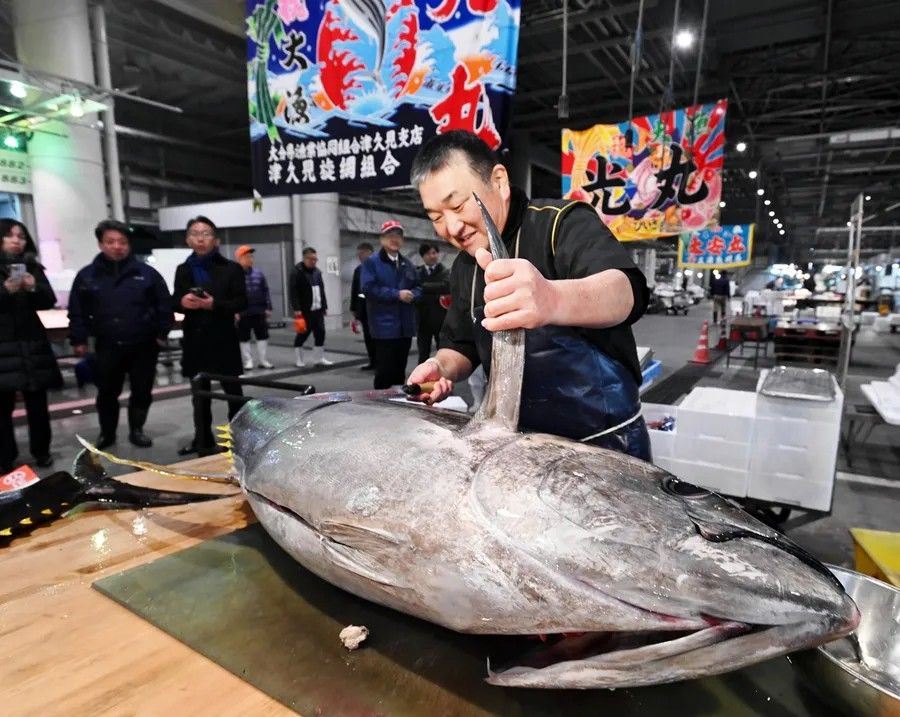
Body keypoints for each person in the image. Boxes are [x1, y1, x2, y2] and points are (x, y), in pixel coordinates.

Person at [405, 130, 651, 460]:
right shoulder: (466, 266)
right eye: (435, 216)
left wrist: (552, 299)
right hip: (521, 447)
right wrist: (441, 367)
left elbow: (626, 291)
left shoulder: (561, 223)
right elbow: (460, 345)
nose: (450, 227)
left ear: (499, 181)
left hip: (607, 442)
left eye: (458, 205)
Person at [68, 220, 174, 449]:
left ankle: (137, 430)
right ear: (101, 244)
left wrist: (161, 334)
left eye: (122, 242)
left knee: (142, 390)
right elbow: (77, 310)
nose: (117, 246)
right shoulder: (87, 276)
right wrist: (79, 339)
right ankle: (107, 433)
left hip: (143, 344)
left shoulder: (147, 274)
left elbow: (164, 305)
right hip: (107, 345)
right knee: (106, 392)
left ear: (129, 245)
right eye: (111, 241)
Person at [173, 216, 247, 456]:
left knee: (233, 394)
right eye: (195, 233)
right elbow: (175, 300)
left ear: (215, 239)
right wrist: (182, 302)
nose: (200, 238)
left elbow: (241, 302)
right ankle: (202, 441)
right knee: (199, 396)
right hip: (195, 341)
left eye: (206, 233)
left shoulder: (231, 269)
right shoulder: (183, 270)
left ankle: (239, 440)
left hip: (223, 338)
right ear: (188, 239)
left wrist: (214, 304)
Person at [0, 219, 61, 472]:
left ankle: (42, 451)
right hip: (2, 347)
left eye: (21, 236)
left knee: (38, 405)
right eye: (10, 235)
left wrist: (32, 285)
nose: (17, 240)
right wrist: (5, 290)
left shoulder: (32, 266)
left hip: (32, 344)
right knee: (2, 409)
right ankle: (5, 457)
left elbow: (49, 299)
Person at [360, 220, 422, 389]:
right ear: (382, 239)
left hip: (404, 329)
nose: (394, 239)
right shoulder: (371, 262)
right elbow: (368, 288)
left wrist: (413, 294)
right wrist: (397, 294)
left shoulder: (407, 264)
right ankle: (381, 408)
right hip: (384, 328)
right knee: (384, 372)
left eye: (398, 235)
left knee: (399, 371)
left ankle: (397, 405)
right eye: (390, 235)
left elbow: (418, 287)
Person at [290, 247, 333, 367]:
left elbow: (321, 290)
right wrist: (297, 309)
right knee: (302, 334)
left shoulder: (317, 272)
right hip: (304, 310)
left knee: (320, 333)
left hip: (318, 309)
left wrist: (324, 306)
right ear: (304, 258)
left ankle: (318, 358)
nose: (314, 261)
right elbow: (293, 292)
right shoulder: (296, 272)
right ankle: (299, 359)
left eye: (315, 259)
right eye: (311, 259)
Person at [234, 245, 274, 370]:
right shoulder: (234, 274)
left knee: (262, 336)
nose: (250, 259)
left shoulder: (258, 273)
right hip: (243, 311)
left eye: (251, 256)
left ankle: (263, 360)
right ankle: (248, 361)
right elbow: (231, 293)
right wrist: (234, 311)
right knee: (244, 337)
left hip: (259, 310)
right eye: (247, 257)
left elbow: (265, 290)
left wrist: (268, 307)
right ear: (239, 258)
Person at [415, 242, 450, 365]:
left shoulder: (445, 271)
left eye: (434, 253)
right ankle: (420, 379)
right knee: (423, 352)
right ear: (423, 256)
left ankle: (443, 375)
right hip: (422, 318)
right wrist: (434, 289)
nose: (432, 256)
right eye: (428, 253)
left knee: (442, 350)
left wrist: (423, 287)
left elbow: (446, 286)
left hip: (440, 318)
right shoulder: (417, 272)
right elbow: (413, 287)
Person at [350, 242, 376, 370]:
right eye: (358, 254)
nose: (360, 256)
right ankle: (373, 361)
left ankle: (381, 362)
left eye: (362, 253)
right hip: (364, 309)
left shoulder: (378, 267)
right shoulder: (359, 270)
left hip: (377, 309)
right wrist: (354, 309)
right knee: (368, 337)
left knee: (379, 338)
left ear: (370, 253)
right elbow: (355, 290)